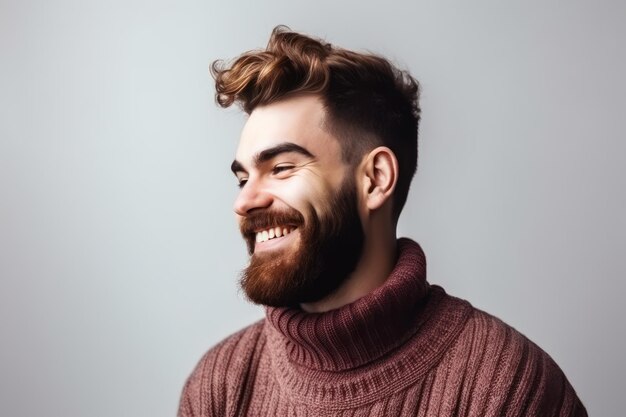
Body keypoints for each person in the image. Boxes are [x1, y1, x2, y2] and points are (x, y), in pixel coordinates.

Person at [178, 26, 587, 416]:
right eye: (243, 178)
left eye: (282, 168)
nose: (244, 201)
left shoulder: (510, 388)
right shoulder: (220, 384)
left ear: (375, 180)